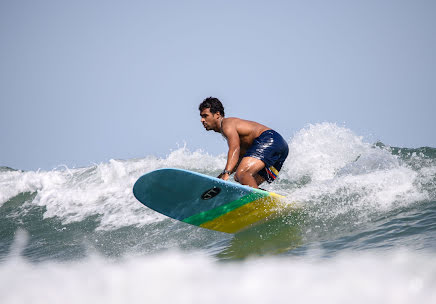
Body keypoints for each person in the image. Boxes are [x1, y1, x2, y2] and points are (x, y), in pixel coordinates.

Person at [199, 97, 289, 189]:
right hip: (280, 147)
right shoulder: (235, 132)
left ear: (217, 114)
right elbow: (240, 158)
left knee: (242, 173)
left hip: (269, 139)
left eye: (205, 116)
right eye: (201, 116)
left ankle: (256, 201)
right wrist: (219, 179)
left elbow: (234, 148)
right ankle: (264, 201)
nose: (202, 120)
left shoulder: (227, 124)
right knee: (245, 180)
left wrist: (226, 173)